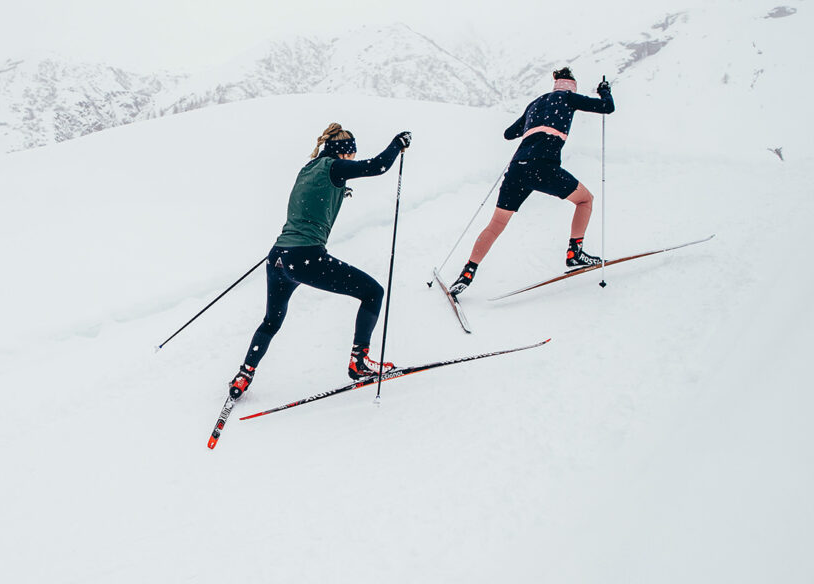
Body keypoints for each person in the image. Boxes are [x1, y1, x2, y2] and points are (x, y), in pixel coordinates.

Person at [227, 123, 412, 399]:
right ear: (344, 153)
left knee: (271, 321)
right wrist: (398, 143)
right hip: (305, 258)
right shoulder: (336, 166)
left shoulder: (308, 168)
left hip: (278, 255)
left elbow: (308, 200)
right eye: (352, 155)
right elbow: (378, 166)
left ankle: (245, 374)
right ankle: (359, 361)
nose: (352, 160)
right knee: (373, 292)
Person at [449, 67, 615, 297]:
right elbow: (608, 107)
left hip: (517, 169)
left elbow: (508, 134)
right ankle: (575, 252)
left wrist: (531, 124)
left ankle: (467, 272)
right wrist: (605, 92)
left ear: (556, 83)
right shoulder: (568, 98)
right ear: (572, 85)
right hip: (544, 167)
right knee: (585, 200)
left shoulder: (535, 103)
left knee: (496, 224)